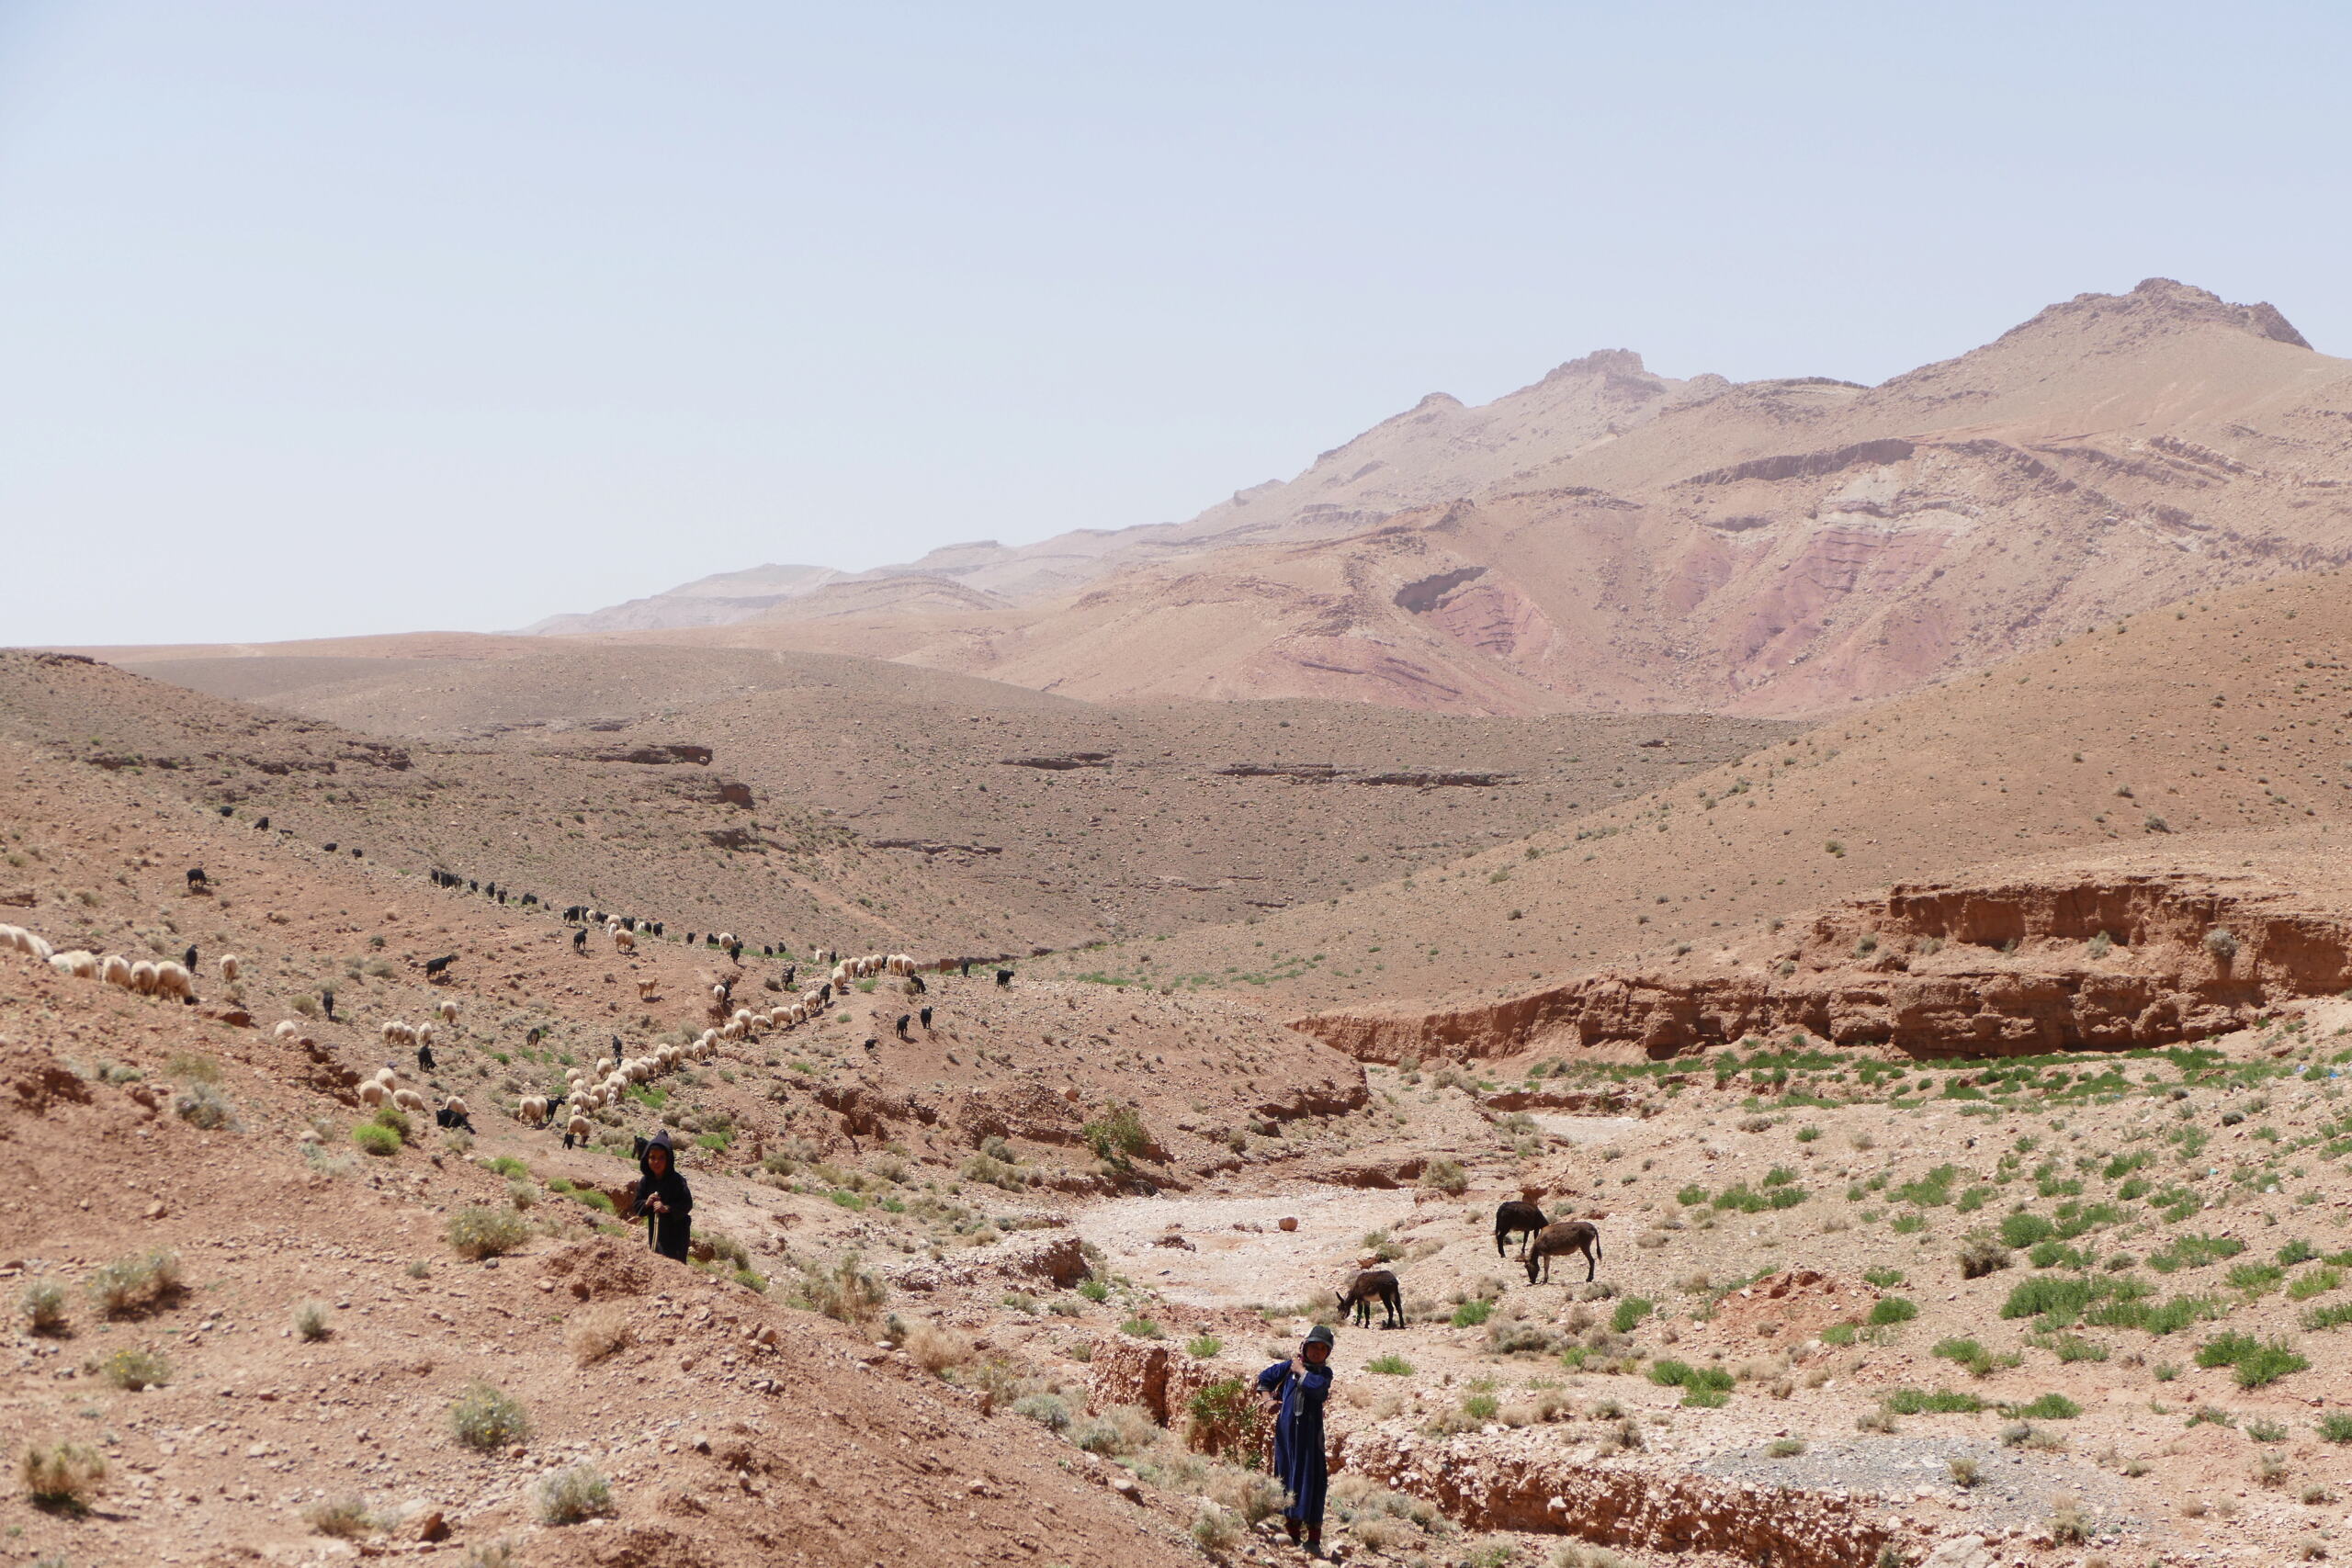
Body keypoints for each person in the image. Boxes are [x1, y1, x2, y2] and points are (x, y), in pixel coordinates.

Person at [1256, 1325, 1335, 1554]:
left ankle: (1313, 1539)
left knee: (1311, 1479)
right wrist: (1268, 1400)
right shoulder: (1288, 1367)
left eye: (1323, 1348)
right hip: (1287, 1436)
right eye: (1314, 1347)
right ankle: (1291, 1532)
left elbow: (1318, 1390)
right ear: (1305, 1346)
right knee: (1288, 1475)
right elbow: (1265, 1378)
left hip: (1310, 1439)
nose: (1318, 1352)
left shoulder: (1323, 1374)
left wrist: (1301, 1371)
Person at [629, 1130, 694, 1261]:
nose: (656, 1162)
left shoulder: (677, 1181)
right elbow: (637, 1206)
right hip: (656, 1234)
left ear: (668, 1159)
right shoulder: (646, 1181)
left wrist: (667, 1208)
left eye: (661, 1158)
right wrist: (646, 1203)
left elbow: (687, 1204)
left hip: (676, 1236)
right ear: (646, 1158)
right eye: (652, 1157)